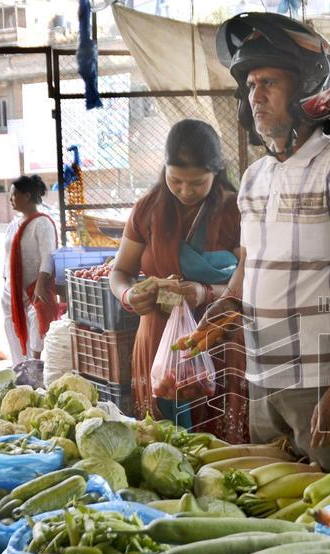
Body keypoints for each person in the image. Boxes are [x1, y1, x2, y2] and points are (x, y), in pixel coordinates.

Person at [211, 12, 330, 469]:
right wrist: (227, 303)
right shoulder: (253, 178)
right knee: (272, 503)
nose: (256, 94)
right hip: (262, 373)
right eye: (249, 85)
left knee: (329, 506)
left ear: (308, 90)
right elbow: (249, 265)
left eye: (269, 82)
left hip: (319, 378)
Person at [109, 119, 247, 442]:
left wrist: (206, 292)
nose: (186, 191)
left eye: (198, 183)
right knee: (161, 446)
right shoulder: (148, 209)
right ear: (164, 170)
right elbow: (120, 272)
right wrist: (129, 295)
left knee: (216, 447)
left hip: (217, 337)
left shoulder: (235, 210)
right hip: (159, 341)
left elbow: (253, 272)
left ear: (217, 172)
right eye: (176, 180)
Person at [1, 175, 60, 363]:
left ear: (27, 196)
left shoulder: (42, 223)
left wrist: (41, 286)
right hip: (11, 290)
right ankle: (19, 367)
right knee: (12, 326)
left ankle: (35, 366)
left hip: (33, 288)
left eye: (14, 195)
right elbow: (7, 255)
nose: (11, 200)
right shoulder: (13, 225)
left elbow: (47, 257)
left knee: (36, 325)